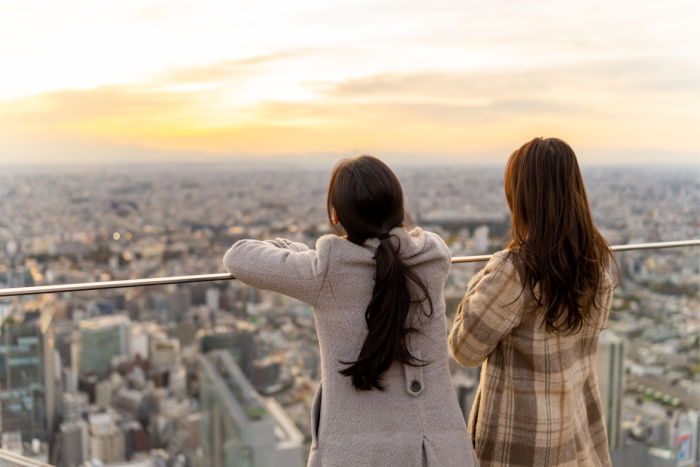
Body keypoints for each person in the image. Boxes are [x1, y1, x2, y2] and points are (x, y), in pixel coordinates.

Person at [223, 155, 477, 467]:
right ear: (400, 207)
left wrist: (304, 254)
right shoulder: (432, 257)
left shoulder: (326, 272)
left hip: (357, 455)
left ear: (335, 215)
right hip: (438, 451)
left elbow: (238, 256)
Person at [448, 138, 618, 466]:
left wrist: (484, 276)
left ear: (522, 196)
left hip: (520, 444)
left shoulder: (515, 269)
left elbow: (463, 348)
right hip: (576, 436)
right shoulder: (596, 264)